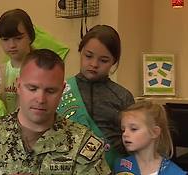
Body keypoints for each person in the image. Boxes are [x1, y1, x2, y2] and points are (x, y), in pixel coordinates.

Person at [57, 24, 135, 166]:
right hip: (67, 172)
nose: (94, 64)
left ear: (114, 62)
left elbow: (134, 142)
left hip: (112, 174)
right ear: (80, 51)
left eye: (103, 60)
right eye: (88, 56)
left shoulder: (122, 97)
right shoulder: (61, 89)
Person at [0, 8, 69, 113]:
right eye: (5, 39)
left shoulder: (44, 70)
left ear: (30, 36)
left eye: (18, 38)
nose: (12, 45)